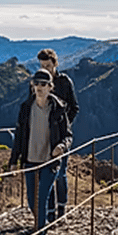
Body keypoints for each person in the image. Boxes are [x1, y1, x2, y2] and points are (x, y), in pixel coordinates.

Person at [8, 67, 73, 235]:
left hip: (49, 162)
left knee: (42, 197)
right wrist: (13, 161)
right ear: (32, 85)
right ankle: (41, 224)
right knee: (31, 200)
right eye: (36, 83)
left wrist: (61, 146)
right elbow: (19, 136)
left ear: (50, 87)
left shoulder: (59, 109)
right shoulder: (26, 108)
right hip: (30, 160)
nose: (39, 87)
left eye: (43, 84)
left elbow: (68, 136)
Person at [37, 48, 78, 222]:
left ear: (55, 64)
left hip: (61, 138)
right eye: (42, 66)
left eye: (48, 66)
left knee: (60, 173)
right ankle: (50, 212)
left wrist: (64, 126)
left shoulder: (65, 82)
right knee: (47, 175)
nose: (45, 69)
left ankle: (62, 208)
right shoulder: (38, 82)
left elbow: (74, 107)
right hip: (43, 136)